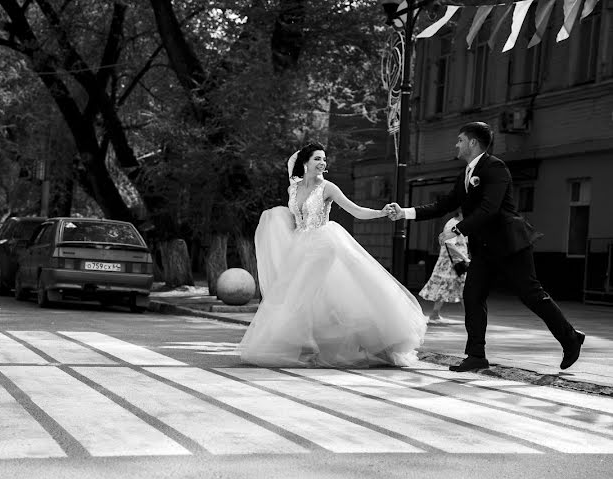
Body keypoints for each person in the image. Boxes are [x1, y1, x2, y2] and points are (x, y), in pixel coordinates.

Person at [387, 121, 584, 372]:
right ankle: (476, 355)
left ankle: (570, 338)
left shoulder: (495, 167)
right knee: (473, 295)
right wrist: (404, 212)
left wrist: (457, 229)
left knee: (531, 295)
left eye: (459, 140)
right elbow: (443, 204)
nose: (456, 144)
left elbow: (489, 209)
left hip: (510, 244)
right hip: (483, 248)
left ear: (472, 142)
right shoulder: (466, 174)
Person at [239, 142, 427, 368]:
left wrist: (380, 212)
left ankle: (311, 346)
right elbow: (293, 214)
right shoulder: (294, 188)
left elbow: (355, 210)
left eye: (324, 159)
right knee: (318, 300)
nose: (322, 163)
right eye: (317, 158)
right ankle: (311, 345)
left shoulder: (328, 187)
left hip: (323, 243)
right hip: (299, 245)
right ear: (305, 162)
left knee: (303, 292)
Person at [419, 209, 469, 323]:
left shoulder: (460, 223)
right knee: (456, 287)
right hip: (451, 262)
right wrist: (464, 257)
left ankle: (435, 314)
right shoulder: (453, 224)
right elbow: (450, 244)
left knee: (454, 287)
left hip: (454, 262)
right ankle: (469, 316)